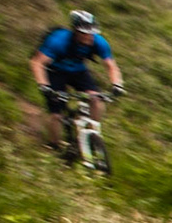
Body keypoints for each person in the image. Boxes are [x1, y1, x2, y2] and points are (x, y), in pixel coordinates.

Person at [29, 9, 123, 156]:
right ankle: (54, 146)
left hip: (79, 71)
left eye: (92, 33)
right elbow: (37, 62)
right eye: (84, 33)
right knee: (56, 115)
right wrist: (44, 86)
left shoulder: (99, 42)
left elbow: (111, 66)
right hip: (55, 72)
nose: (89, 37)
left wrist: (117, 84)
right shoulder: (58, 41)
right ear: (75, 31)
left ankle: (92, 135)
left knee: (96, 100)